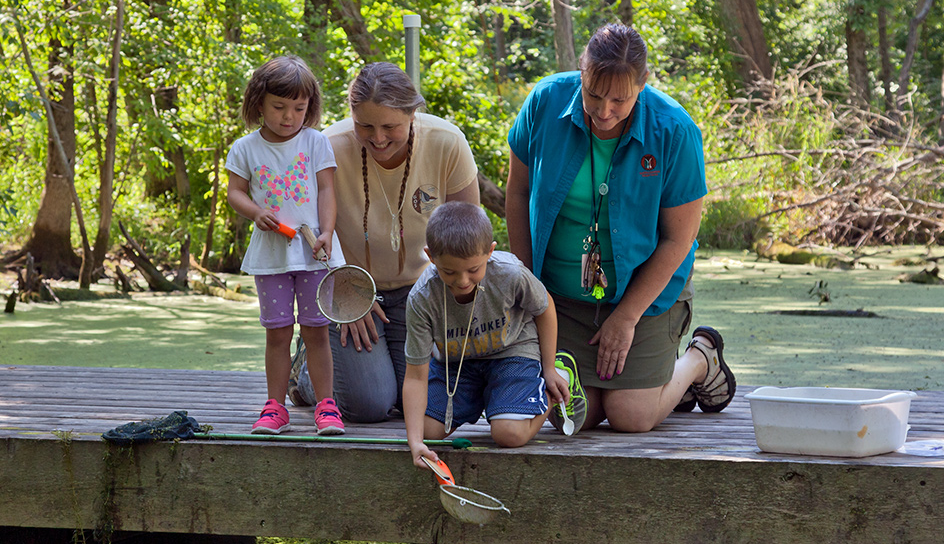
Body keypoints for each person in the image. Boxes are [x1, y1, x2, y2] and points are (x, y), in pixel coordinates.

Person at [505, 23, 736, 433]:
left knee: (632, 415)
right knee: (570, 414)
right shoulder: (544, 101)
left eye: (620, 99)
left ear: (642, 84)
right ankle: (624, 379)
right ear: (582, 71)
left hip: (644, 298)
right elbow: (519, 193)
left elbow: (679, 238)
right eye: (593, 93)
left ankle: (700, 358)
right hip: (559, 299)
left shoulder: (675, 131)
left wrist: (626, 316)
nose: (603, 110)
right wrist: (526, 289)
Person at [289, 62, 480, 422]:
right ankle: (306, 373)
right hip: (349, 286)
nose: (378, 138)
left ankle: (354, 367)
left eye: (390, 126)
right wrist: (346, 295)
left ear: (412, 115)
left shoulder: (447, 142)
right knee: (370, 405)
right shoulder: (327, 147)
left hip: (421, 293)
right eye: (365, 126)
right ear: (351, 115)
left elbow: (469, 234)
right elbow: (305, 231)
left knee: (423, 397)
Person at [402, 202, 582, 467]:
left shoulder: (510, 274)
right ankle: (489, 399)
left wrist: (549, 367)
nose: (462, 281)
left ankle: (557, 377)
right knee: (430, 432)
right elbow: (416, 377)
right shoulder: (422, 298)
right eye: (449, 272)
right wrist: (415, 443)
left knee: (508, 433)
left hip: (512, 352)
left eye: (473, 270)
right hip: (458, 364)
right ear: (431, 256)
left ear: (490, 252)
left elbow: (545, 307)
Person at [225, 55, 345, 436]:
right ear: (258, 102)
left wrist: (326, 231)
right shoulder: (245, 148)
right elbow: (235, 193)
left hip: (313, 254)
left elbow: (327, 189)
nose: (289, 116)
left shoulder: (316, 143)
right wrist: (255, 212)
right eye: (279, 107)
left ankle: (327, 407)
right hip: (272, 254)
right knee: (277, 332)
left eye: (299, 107)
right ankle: (275, 407)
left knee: (316, 331)